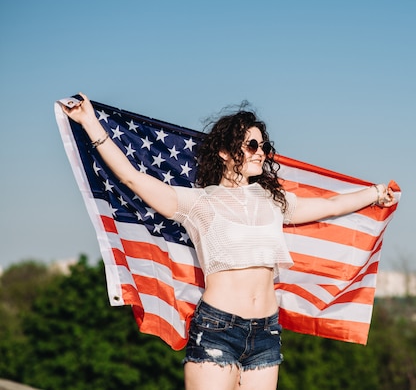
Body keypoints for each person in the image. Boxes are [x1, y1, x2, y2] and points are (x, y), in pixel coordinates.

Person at [61, 93, 396, 390]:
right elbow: (132, 178)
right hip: (217, 328)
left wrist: (375, 193)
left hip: (267, 333)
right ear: (224, 151)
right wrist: (90, 122)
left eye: (263, 146)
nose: (260, 152)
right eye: (251, 145)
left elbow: (331, 205)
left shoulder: (274, 200)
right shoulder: (198, 203)